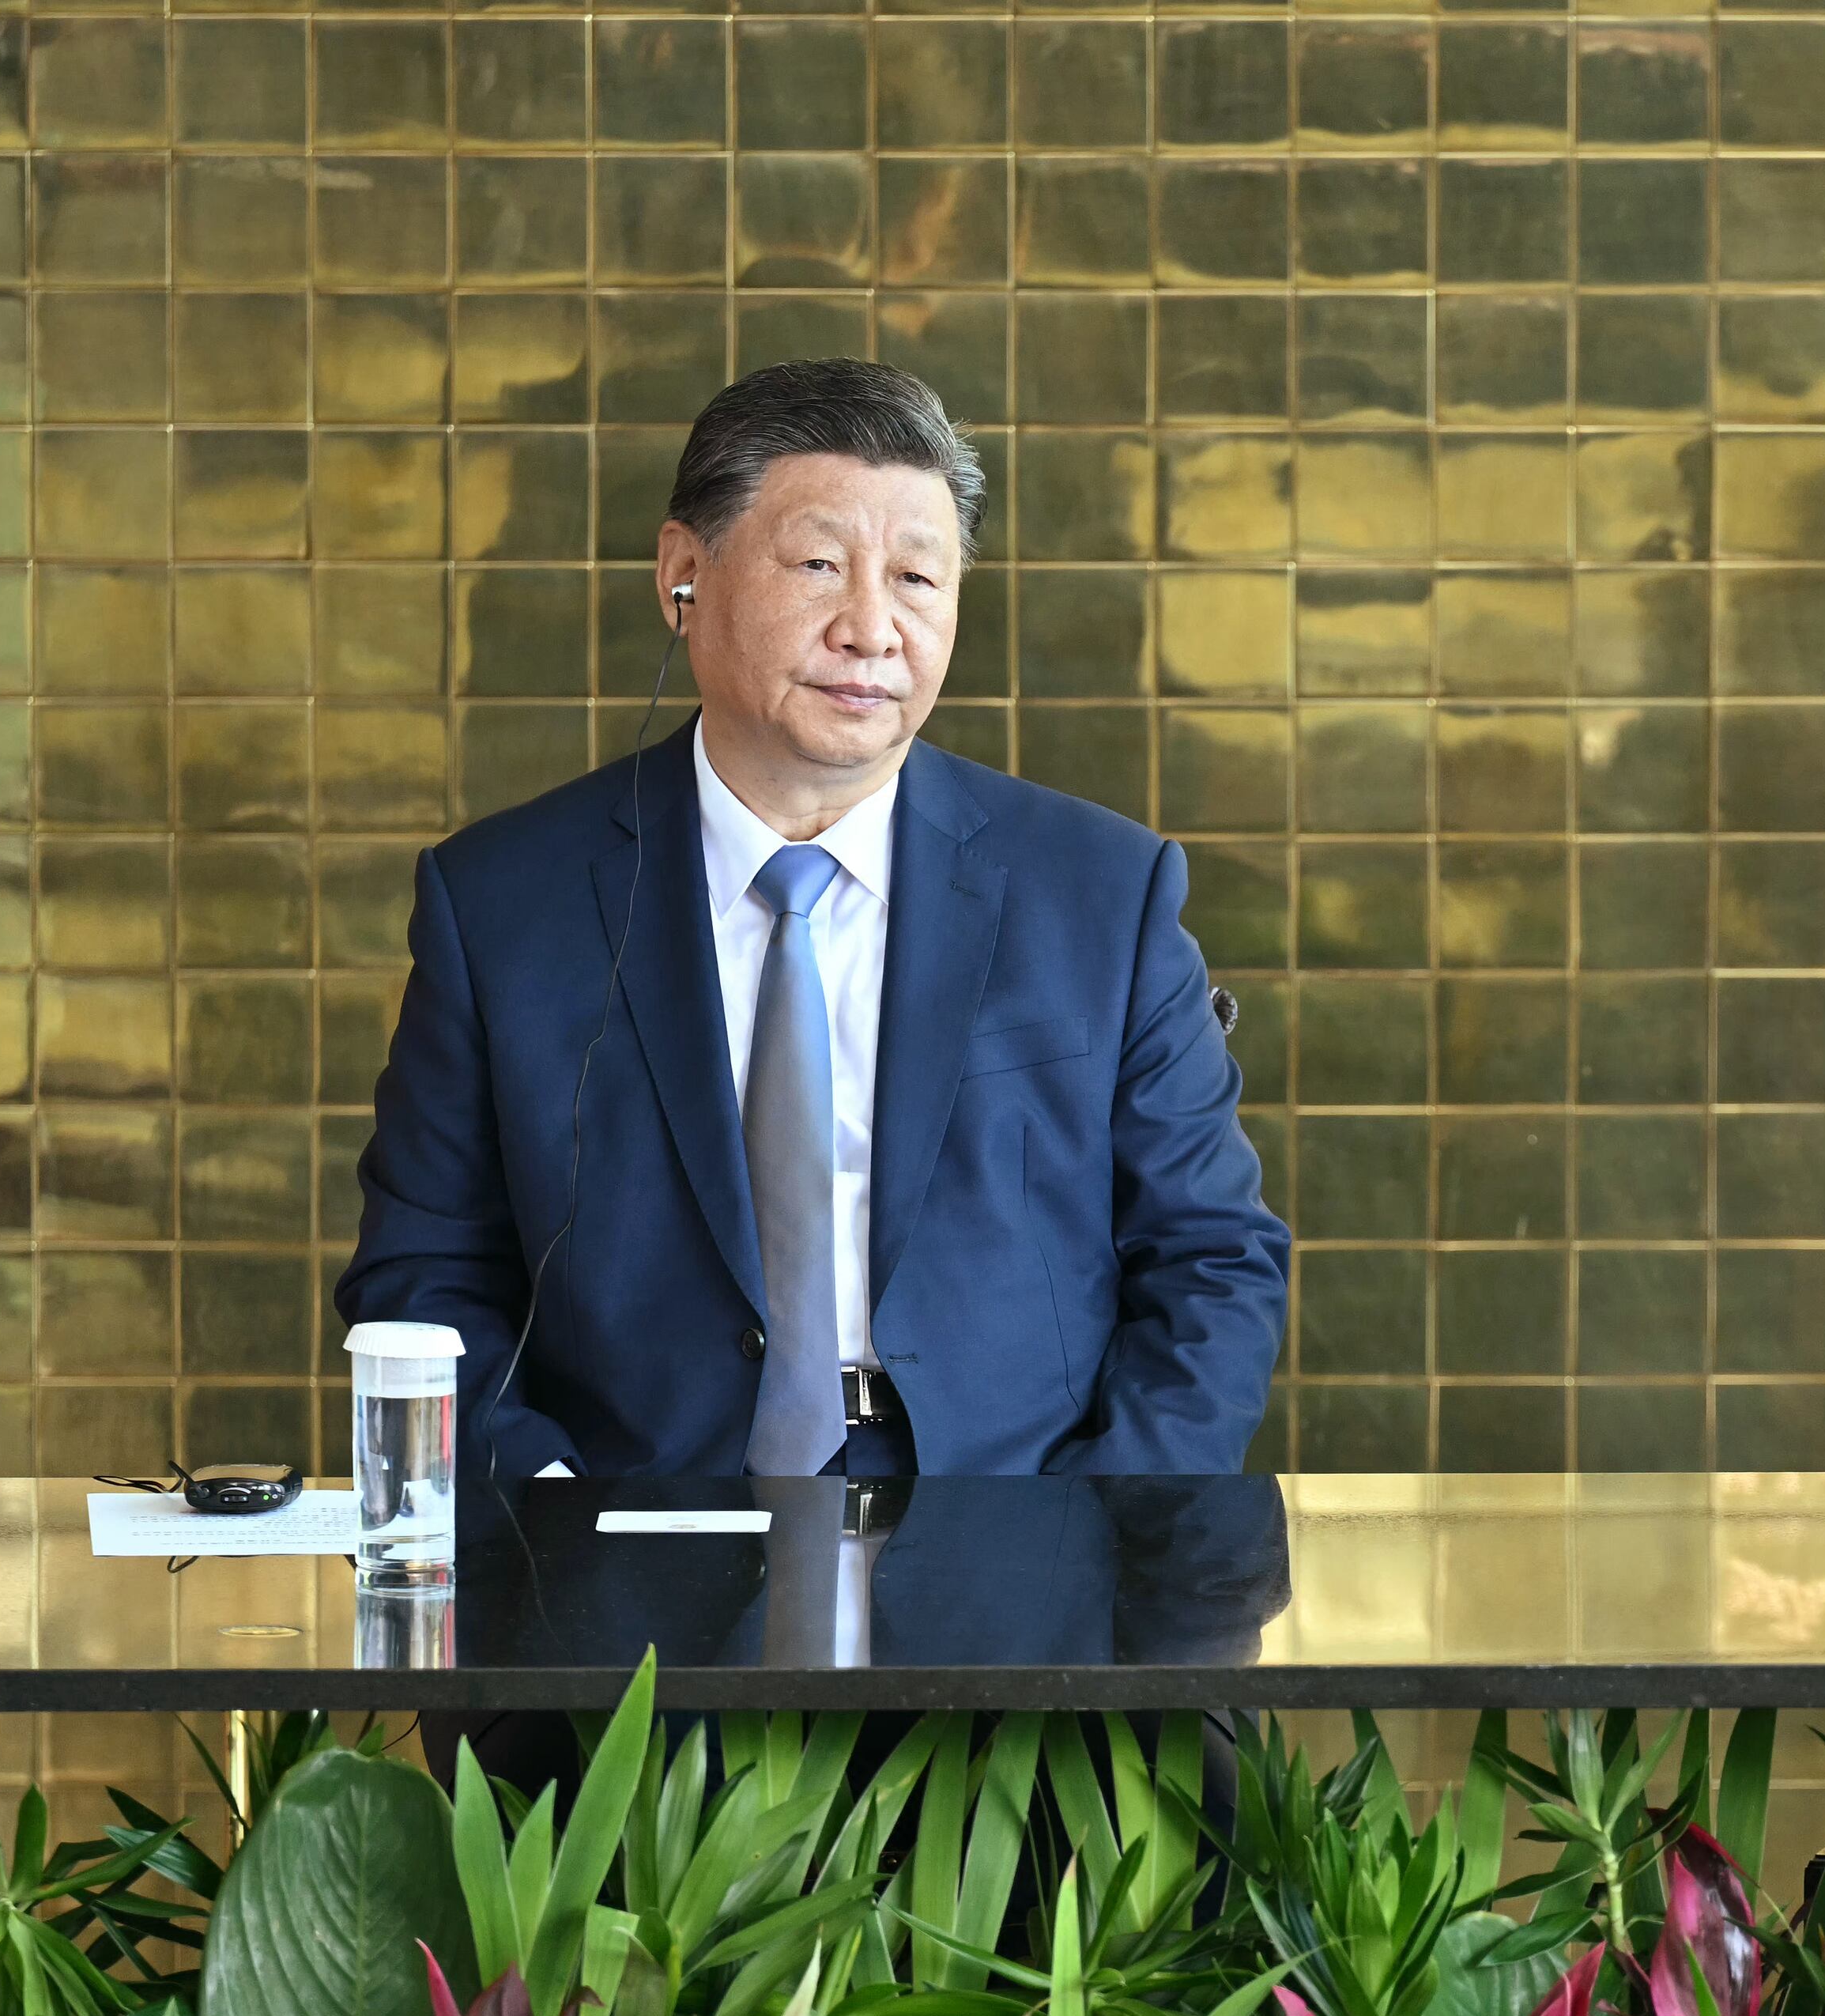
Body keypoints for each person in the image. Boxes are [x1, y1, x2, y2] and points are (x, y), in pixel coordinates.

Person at [337, 359, 1290, 1484]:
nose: (872, 629)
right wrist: (552, 1519)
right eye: (820, 566)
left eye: (918, 578)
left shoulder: (1103, 894)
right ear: (683, 574)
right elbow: (425, 1276)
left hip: (1012, 1519)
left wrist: (1090, 1531)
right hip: (628, 1527)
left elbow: (1212, 1263)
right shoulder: (502, 901)